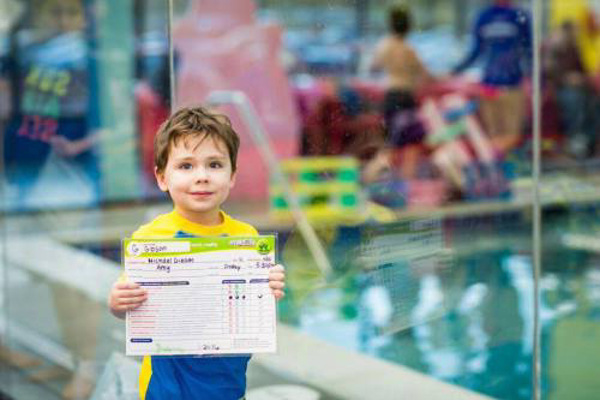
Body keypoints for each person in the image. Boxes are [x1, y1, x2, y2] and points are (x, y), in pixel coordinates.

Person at [108, 106, 286, 400]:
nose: (202, 176)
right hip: (165, 389)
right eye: (186, 166)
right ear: (162, 177)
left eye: (215, 165)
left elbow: (251, 313)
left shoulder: (246, 239)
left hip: (227, 385)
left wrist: (268, 290)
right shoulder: (151, 239)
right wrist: (117, 301)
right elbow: (127, 309)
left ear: (232, 176)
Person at [1, 0, 101, 209]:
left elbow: (115, 125)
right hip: (24, 157)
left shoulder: (93, 59)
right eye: (55, 13)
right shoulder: (17, 53)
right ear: (38, 15)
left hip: (74, 168)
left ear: (84, 18)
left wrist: (78, 146)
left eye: (72, 13)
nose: (63, 21)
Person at [453, 0, 532, 154]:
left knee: (512, 135)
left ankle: (503, 168)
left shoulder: (518, 15)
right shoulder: (484, 16)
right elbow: (475, 52)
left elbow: (529, 51)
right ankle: (500, 171)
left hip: (512, 86)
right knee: (495, 136)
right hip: (489, 87)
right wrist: (454, 71)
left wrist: (534, 79)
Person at [371, 4, 433, 179]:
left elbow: (373, 67)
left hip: (389, 98)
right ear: (408, 26)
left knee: (391, 146)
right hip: (405, 98)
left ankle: (368, 179)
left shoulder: (384, 46)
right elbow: (426, 76)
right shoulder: (408, 49)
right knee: (411, 148)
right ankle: (407, 190)